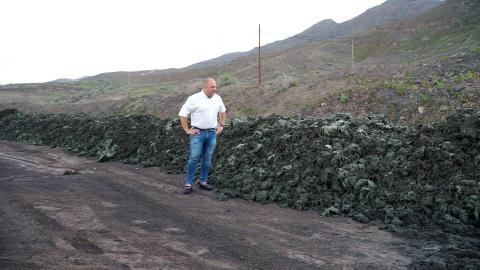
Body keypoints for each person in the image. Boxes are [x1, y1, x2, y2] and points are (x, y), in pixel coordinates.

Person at [178, 78, 227, 194]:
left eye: (215, 87)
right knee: (194, 157)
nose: (215, 89)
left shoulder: (217, 98)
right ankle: (188, 184)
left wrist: (221, 125)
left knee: (207, 158)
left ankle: (203, 182)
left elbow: (223, 111)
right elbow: (182, 114)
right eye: (212, 87)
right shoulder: (194, 99)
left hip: (212, 133)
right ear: (205, 87)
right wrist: (187, 130)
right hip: (198, 133)